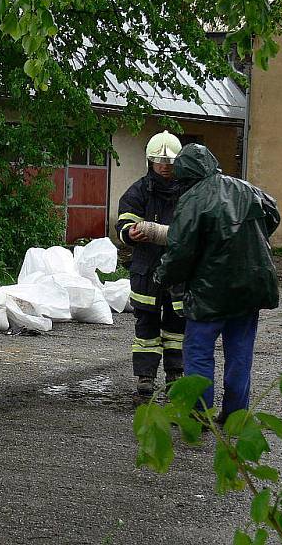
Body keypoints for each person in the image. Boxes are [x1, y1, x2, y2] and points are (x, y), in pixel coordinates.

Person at [154, 143, 280, 419]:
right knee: (239, 354)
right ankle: (235, 415)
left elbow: (180, 252)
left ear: (185, 174)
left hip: (208, 292)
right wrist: (248, 239)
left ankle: (199, 414)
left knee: (198, 352)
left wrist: (162, 277)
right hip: (250, 287)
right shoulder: (245, 189)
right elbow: (273, 214)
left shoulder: (192, 200)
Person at [116, 130, 186, 399]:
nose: (164, 167)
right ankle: (145, 377)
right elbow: (123, 223)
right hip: (146, 270)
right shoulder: (139, 191)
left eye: (169, 163)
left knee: (176, 325)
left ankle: (175, 374)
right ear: (150, 162)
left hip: (176, 271)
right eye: (159, 162)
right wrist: (129, 233)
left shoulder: (187, 191)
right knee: (145, 325)